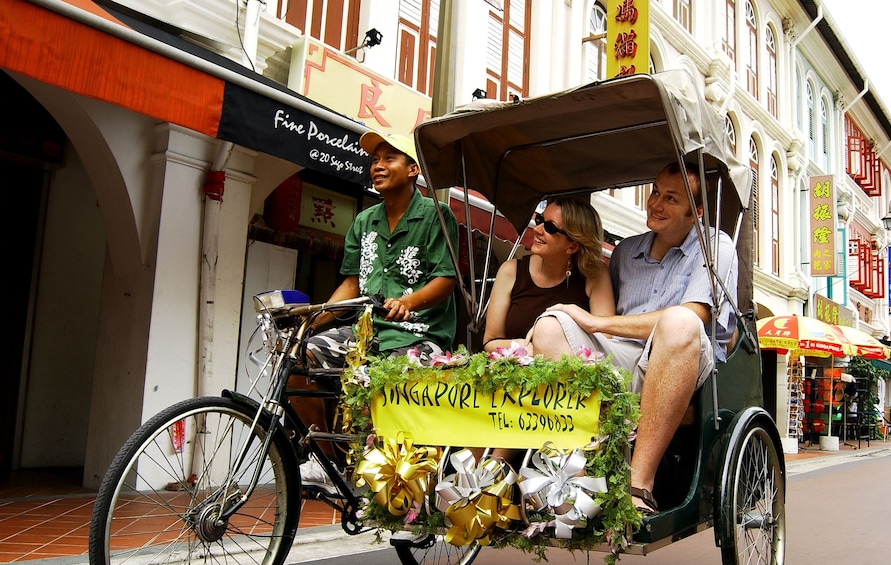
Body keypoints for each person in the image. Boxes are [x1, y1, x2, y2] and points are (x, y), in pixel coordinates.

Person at [528, 161, 737, 514]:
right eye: (655, 192)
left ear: (695, 213)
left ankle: (638, 485)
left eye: (671, 199)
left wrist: (597, 324)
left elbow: (698, 316)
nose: (655, 204)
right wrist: (574, 318)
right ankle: (572, 472)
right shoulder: (626, 251)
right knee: (552, 323)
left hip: (686, 361)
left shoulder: (716, 245)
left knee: (679, 321)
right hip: (628, 358)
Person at [300, 130, 459, 492]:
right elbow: (352, 285)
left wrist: (408, 302)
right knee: (300, 356)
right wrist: (312, 316)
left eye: (389, 158)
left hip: (421, 335)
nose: (378, 166)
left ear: (413, 169)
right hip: (366, 333)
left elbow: (446, 279)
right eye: (374, 160)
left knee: (386, 381)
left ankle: (401, 472)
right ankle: (327, 462)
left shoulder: (437, 215)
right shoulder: (363, 221)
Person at [482, 197, 615, 353]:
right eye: (539, 219)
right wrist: (526, 348)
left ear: (572, 246)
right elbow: (490, 342)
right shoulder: (510, 271)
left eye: (550, 227)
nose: (537, 229)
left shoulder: (594, 274)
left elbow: (605, 339)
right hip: (514, 371)